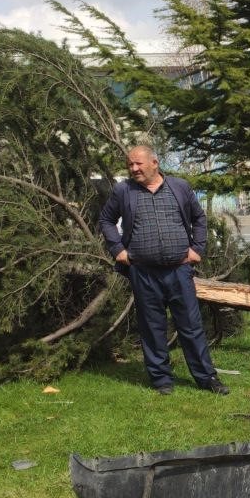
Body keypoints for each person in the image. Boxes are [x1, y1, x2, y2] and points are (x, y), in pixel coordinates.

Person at [98, 145, 229, 396]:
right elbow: (106, 220)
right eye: (130, 165)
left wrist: (197, 248)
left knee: (191, 325)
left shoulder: (179, 187)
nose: (133, 169)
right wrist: (117, 249)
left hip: (179, 270)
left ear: (154, 163)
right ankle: (161, 380)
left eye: (138, 164)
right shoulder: (124, 190)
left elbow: (199, 219)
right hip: (143, 271)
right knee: (152, 326)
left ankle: (206, 377)